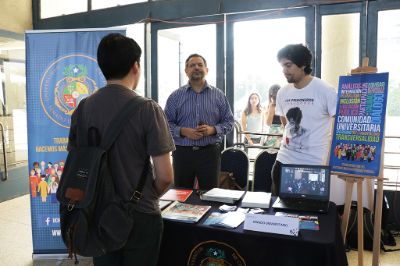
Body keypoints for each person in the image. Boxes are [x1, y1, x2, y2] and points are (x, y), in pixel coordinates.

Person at [67, 33, 174, 266]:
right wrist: (147, 195)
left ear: (102, 66)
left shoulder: (83, 109)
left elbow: (76, 162)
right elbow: (165, 176)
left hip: (95, 213)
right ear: (136, 66)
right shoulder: (148, 109)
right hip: (140, 215)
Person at [271, 44, 337, 196]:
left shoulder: (325, 90)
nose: (284, 71)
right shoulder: (283, 92)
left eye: (288, 65)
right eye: (282, 66)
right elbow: (284, 122)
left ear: (303, 64)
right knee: (279, 212)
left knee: (309, 215)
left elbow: (338, 124)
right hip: (283, 162)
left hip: (312, 164)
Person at [164, 53, 234, 190]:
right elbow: (165, 125)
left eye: (200, 65)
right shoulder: (175, 96)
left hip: (209, 154)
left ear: (206, 70)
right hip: (182, 154)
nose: (196, 67)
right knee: (182, 196)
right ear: (186, 71)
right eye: (192, 65)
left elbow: (229, 122)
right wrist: (183, 131)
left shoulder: (219, 95)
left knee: (211, 195)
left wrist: (212, 130)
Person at [264, 84, 283, 148]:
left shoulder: (272, 106)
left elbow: (268, 123)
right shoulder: (284, 105)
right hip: (281, 133)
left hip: (274, 134)